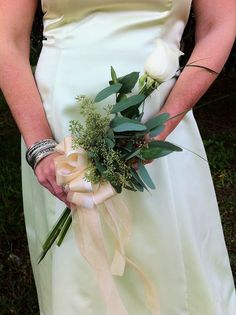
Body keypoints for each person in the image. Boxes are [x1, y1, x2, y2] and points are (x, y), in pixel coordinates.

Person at [0, 0, 235, 314]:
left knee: (171, 260)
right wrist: (40, 145)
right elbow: (7, 37)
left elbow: (219, 26)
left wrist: (162, 125)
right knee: (80, 271)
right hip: (60, 130)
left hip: (159, 119)